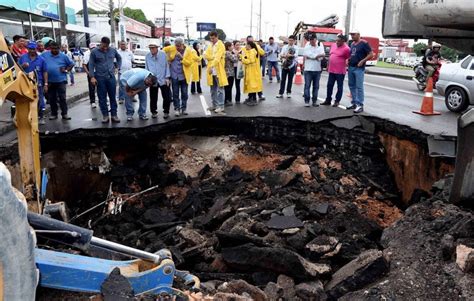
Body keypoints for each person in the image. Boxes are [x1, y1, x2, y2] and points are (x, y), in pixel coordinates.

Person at [89, 36, 122, 123]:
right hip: (100, 78)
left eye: (107, 46)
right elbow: (91, 65)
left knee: (113, 97)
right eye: (104, 46)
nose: (105, 48)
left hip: (111, 77)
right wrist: (92, 77)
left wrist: (117, 67)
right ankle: (105, 115)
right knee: (102, 98)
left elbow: (119, 58)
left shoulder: (112, 50)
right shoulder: (94, 52)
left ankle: (114, 115)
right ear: (101, 43)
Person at [41, 41, 75, 120]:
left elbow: (72, 63)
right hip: (50, 81)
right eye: (52, 48)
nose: (54, 50)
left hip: (61, 80)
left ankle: (64, 114)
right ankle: (54, 114)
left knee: (62, 98)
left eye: (56, 49)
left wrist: (66, 70)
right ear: (50, 48)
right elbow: (39, 61)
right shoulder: (45, 55)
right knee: (52, 98)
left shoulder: (63, 56)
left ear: (59, 48)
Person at [162, 38, 196, 116]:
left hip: (184, 76)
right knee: (175, 94)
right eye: (176, 45)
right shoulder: (172, 48)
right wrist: (168, 59)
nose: (177, 47)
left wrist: (181, 57)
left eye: (179, 46)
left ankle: (184, 109)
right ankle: (177, 108)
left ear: (183, 44)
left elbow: (189, 63)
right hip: (174, 76)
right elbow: (163, 50)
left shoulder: (188, 51)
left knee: (184, 94)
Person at [18, 41, 48, 124]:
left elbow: (45, 72)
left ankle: (41, 117)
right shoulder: (23, 58)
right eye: (30, 49)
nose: (32, 51)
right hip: (25, 83)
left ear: (36, 49)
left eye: (33, 49)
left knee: (40, 100)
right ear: (27, 49)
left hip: (38, 83)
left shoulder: (41, 59)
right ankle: (29, 117)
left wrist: (46, 84)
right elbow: (17, 69)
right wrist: (22, 66)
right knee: (27, 100)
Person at [347, 30, 373, 113]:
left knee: (359, 86)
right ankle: (354, 102)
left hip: (359, 68)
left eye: (353, 35)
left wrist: (363, 61)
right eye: (351, 35)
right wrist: (349, 59)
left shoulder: (364, 43)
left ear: (358, 35)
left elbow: (371, 54)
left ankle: (360, 104)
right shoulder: (352, 44)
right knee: (351, 85)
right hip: (351, 67)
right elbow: (352, 54)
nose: (352, 36)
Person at [322, 34, 351, 107]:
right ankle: (328, 100)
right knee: (329, 85)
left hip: (340, 71)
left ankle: (337, 101)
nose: (337, 42)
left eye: (339, 41)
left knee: (339, 86)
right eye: (336, 40)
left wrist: (347, 64)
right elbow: (330, 56)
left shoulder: (346, 49)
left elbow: (348, 58)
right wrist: (328, 66)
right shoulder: (333, 45)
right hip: (331, 70)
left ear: (343, 41)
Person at [145, 43, 172, 119]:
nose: (152, 50)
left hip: (163, 78)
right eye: (150, 48)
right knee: (153, 97)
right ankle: (153, 112)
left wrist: (167, 77)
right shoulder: (147, 56)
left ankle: (166, 111)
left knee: (167, 97)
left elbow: (167, 66)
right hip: (153, 79)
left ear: (157, 48)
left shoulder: (163, 54)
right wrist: (148, 77)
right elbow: (146, 67)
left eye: (153, 48)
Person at [204, 31, 228, 115]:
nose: (212, 40)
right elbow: (205, 55)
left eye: (213, 38)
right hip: (211, 71)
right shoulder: (210, 45)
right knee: (212, 89)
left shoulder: (221, 45)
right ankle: (215, 105)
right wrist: (212, 58)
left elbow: (217, 58)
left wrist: (211, 65)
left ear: (217, 37)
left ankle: (221, 107)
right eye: (211, 38)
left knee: (220, 90)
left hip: (218, 70)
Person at [303, 34, 325, 107]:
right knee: (307, 85)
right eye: (310, 40)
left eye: (313, 40)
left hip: (317, 69)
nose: (311, 41)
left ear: (316, 39)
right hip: (308, 69)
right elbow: (306, 54)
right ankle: (306, 100)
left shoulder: (320, 44)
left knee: (316, 86)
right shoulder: (307, 45)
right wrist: (317, 56)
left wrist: (313, 56)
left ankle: (314, 101)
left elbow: (322, 55)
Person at [240, 41, 263, 106]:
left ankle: (254, 100)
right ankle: (250, 98)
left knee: (253, 85)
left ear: (249, 46)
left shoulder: (253, 51)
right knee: (250, 85)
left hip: (253, 71)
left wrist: (242, 58)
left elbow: (250, 61)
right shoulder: (251, 51)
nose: (245, 46)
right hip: (250, 71)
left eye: (246, 45)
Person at [245, 35, 266, 101]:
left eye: (252, 40)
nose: (251, 42)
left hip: (256, 68)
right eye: (249, 41)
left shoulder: (257, 46)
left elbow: (263, 53)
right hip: (248, 68)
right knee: (250, 83)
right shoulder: (246, 47)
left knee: (257, 82)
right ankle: (250, 96)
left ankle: (260, 94)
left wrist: (256, 46)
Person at [82, 43, 98, 108]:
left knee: (101, 87)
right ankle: (93, 101)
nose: (93, 49)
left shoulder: (98, 52)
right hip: (91, 73)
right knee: (92, 88)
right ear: (89, 48)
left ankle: (102, 99)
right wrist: (88, 73)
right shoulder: (86, 54)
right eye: (92, 48)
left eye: (94, 48)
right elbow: (84, 65)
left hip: (99, 72)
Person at [224, 41, 238, 106]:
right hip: (229, 72)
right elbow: (234, 59)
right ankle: (227, 100)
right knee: (228, 87)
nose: (232, 47)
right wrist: (237, 55)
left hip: (227, 72)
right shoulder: (228, 53)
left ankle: (228, 100)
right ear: (228, 47)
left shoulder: (225, 52)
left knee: (227, 87)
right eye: (232, 46)